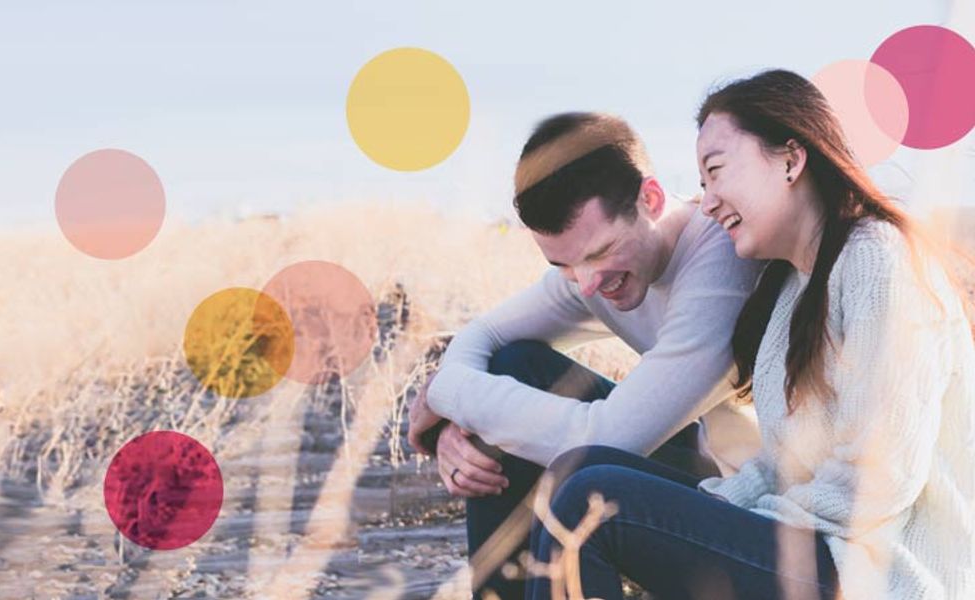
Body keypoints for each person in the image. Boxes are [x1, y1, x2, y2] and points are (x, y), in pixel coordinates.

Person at [526, 69, 975, 600]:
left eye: (716, 171)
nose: (709, 202)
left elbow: (880, 479)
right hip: (818, 550)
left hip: (877, 574)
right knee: (578, 466)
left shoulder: (880, 260)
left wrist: (748, 522)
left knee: (592, 504)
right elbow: (784, 463)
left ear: (791, 158)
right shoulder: (795, 288)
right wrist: (719, 512)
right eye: (701, 184)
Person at [405, 112, 764, 598]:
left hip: (761, 513)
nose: (587, 283)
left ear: (651, 199)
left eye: (600, 252)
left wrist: (450, 395)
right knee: (514, 364)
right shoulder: (590, 272)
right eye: (563, 264)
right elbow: (484, 334)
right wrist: (457, 423)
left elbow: (609, 437)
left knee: (576, 473)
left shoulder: (721, 262)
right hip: (706, 470)